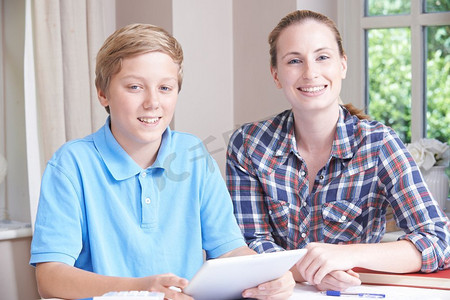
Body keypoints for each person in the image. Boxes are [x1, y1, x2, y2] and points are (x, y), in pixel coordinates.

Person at [30, 23, 295, 300]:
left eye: (165, 88)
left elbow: (229, 250)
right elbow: (50, 276)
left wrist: (268, 275)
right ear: (103, 93)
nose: (153, 102)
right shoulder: (71, 164)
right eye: (135, 87)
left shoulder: (192, 153)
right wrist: (140, 289)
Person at [226, 9, 450, 292]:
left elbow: (438, 241)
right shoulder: (248, 144)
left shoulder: (379, 144)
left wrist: (347, 254)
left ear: (343, 65)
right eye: (294, 61)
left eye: (322, 57)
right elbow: (246, 244)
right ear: (276, 74)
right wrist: (309, 270)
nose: (310, 73)